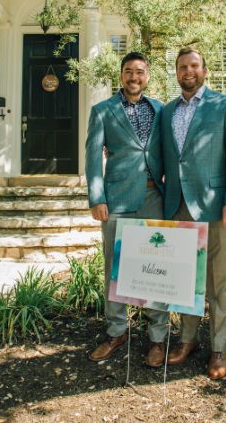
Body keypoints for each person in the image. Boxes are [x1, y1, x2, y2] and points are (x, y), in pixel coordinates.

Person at [160, 46, 226, 380]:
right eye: (182, 66)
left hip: (214, 206)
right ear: (177, 71)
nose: (188, 71)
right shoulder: (167, 112)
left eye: (194, 65)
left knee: (218, 279)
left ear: (205, 70)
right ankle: (187, 340)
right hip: (178, 204)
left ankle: (219, 347)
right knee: (185, 278)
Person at [84, 51, 170, 367]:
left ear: (147, 76)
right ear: (121, 75)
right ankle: (116, 331)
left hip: (154, 199)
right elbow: (93, 157)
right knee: (115, 271)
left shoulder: (161, 110)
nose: (134, 77)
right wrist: (97, 198)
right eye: (128, 72)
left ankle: (158, 338)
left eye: (140, 72)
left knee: (155, 269)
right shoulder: (103, 111)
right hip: (117, 199)